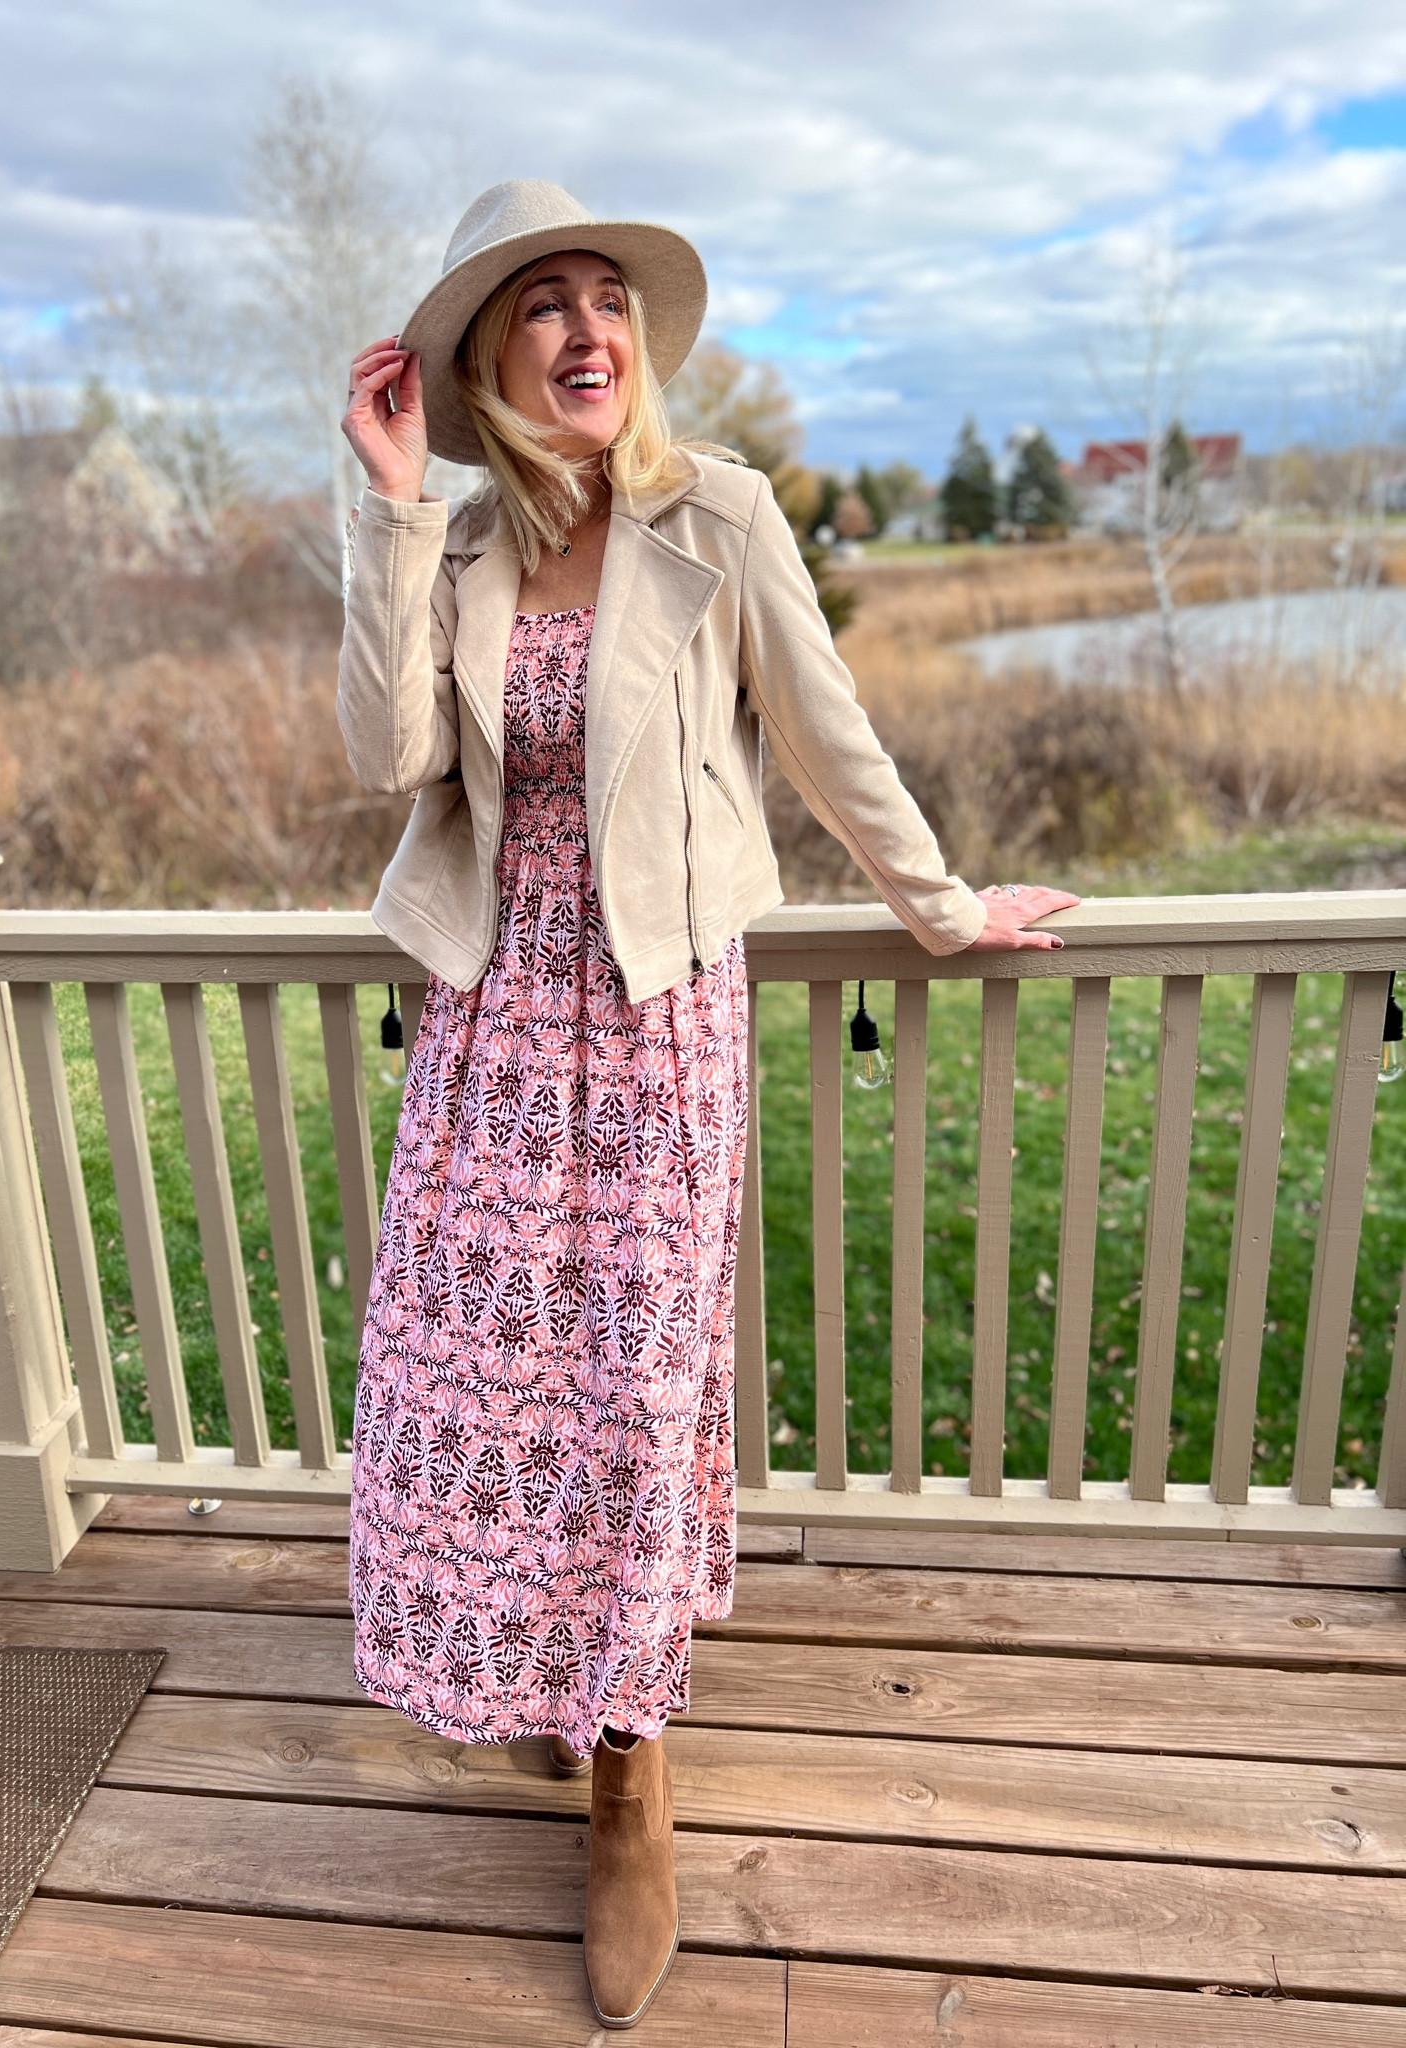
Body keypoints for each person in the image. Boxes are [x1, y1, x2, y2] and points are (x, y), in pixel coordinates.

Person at [337, 179, 1076, 2030]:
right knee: (464, 1387)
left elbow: (833, 741)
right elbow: (391, 759)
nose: (590, 332)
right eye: (543, 309)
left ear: (641, 343)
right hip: (496, 1022)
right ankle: (536, 1680)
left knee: (632, 1406)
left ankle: (630, 1782)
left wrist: (948, 907)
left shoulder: (718, 515)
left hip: (658, 1026)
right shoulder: (473, 548)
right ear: (492, 359)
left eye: (611, 301)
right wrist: (387, 510)